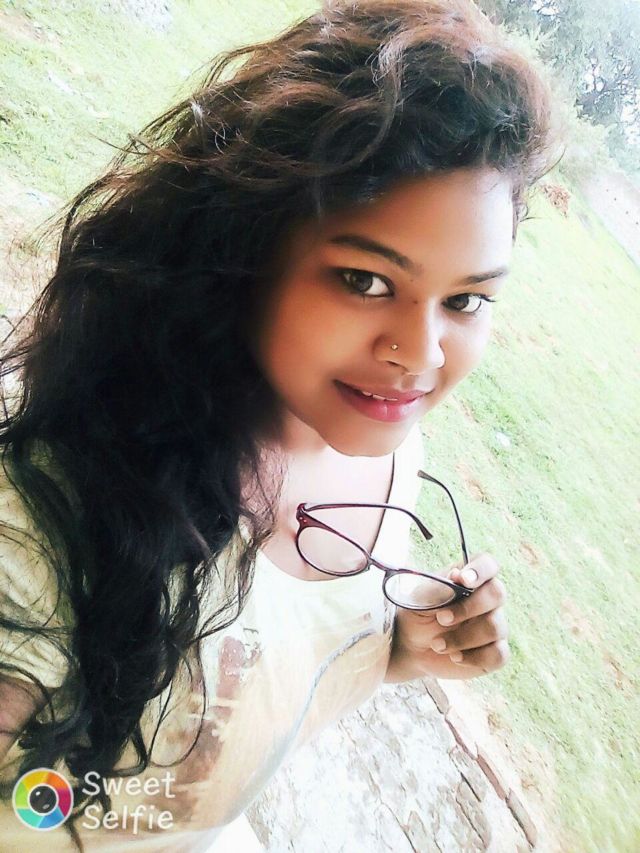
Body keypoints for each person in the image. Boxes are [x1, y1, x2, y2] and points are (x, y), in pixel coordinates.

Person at [0, 0, 563, 849]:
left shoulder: (391, 454)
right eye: (365, 281)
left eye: (467, 300)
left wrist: (397, 650)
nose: (420, 355)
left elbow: (253, 683)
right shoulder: (52, 516)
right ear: (244, 247)